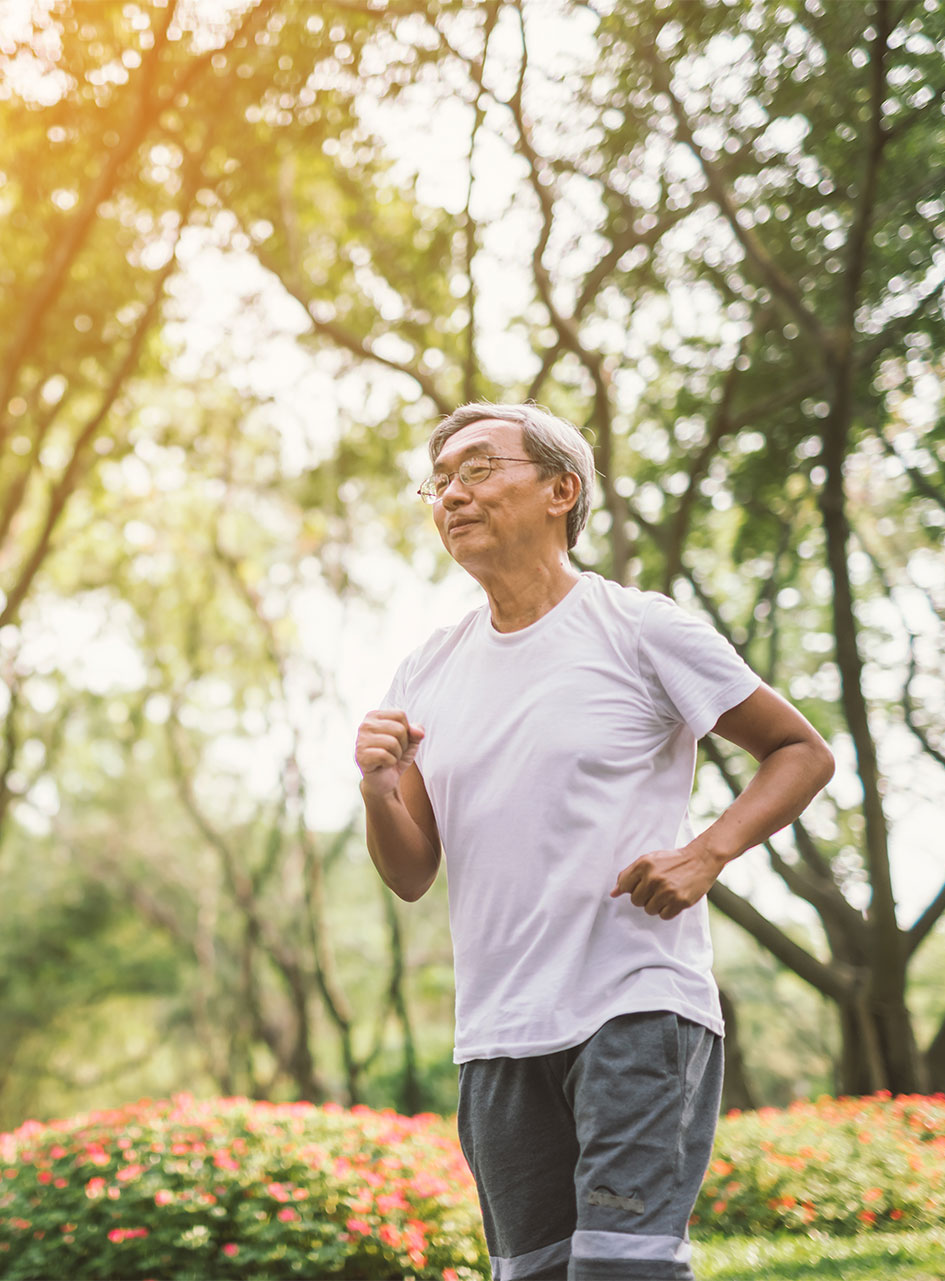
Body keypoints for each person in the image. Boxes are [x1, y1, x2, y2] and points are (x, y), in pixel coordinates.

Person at [354, 403, 834, 1281]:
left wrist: (707, 854)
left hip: (636, 1005)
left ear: (560, 489)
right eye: (440, 480)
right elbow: (412, 871)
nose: (452, 493)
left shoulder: (639, 628)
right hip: (498, 1031)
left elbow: (801, 750)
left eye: (478, 468)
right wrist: (380, 787)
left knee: (623, 1268)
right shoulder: (427, 669)